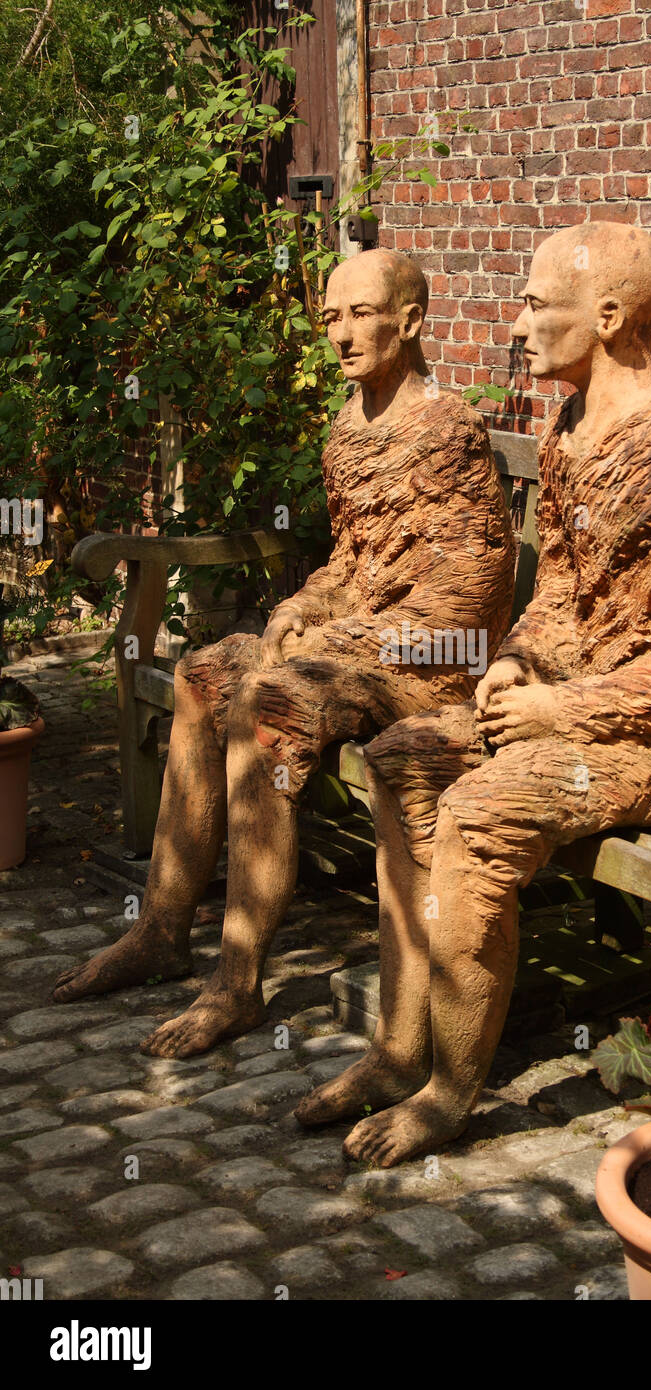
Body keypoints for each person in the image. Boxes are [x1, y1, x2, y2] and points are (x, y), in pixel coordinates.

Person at [295, 221, 651, 1166]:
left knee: (477, 810)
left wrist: (560, 710)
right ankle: (396, 1046)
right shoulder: (572, 432)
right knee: (398, 762)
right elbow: (558, 595)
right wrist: (516, 660)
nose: (517, 324)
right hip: (576, 711)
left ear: (609, 315)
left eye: (537, 306)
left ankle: (447, 1092)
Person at [53, 249, 515, 1058]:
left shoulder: (446, 431)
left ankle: (237, 984)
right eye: (330, 318)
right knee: (203, 677)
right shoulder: (347, 429)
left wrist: (341, 638)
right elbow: (354, 562)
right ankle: (163, 927)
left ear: (409, 322)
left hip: (434, 666)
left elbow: (470, 594)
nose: (340, 335)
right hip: (358, 649)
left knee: (267, 705)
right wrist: (304, 606)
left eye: (360, 314)